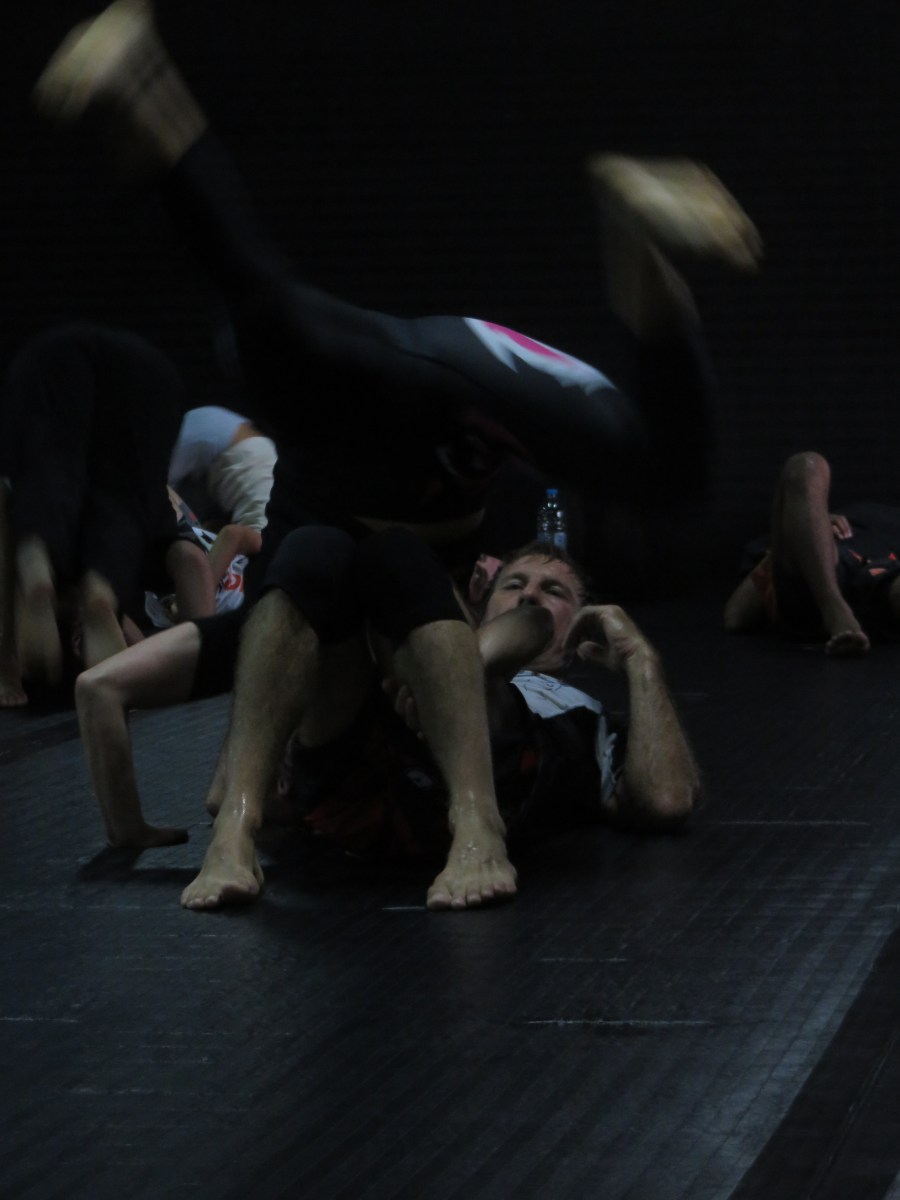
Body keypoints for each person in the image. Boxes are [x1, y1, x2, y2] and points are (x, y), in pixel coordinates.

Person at [37, 0, 757, 909]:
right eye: (522, 580)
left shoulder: (542, 681)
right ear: (484, 577)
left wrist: (174, 809)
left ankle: (143, 89)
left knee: (276, 333)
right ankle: (142, 90)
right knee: (331, 500)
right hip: (420, 399)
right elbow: (107, 689)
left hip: (418, 397)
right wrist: (181, 806)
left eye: (550, 587)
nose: (534, 595)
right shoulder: (343, 603)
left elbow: (539, 644)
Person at [0, 321, 185, 702]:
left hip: (67, 363)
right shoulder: (95, 570)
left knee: (54, 471)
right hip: (139, 373)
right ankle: (53, 563)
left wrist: (6, 668)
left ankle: (43, 558)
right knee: (99, 500)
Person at [723, 451, 900, 655]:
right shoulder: (855, 513)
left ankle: (840, 615)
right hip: (821, 576)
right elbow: (736, 616)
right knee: (806, 464)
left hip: (881, 585)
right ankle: (834, 609)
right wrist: (814, 527)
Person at [166, 406, 275, 618]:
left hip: (244, 446)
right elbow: (232, 535)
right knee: (151, 493)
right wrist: (203, 590)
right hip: (240, 448)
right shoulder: (266, 544)